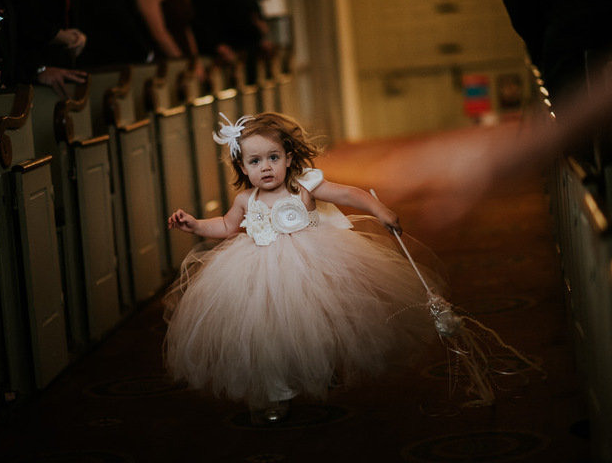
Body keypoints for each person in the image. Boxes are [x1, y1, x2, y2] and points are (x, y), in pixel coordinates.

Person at [164, 112, 448, 422]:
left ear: (288, 157)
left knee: (322, 320)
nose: (266, 167)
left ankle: (321, 365)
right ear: (243, 167)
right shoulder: (246, 199)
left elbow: (347, 193)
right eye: (255, 161)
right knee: (266, 332)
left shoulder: (304, 186)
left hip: (312, 264)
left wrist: (381, 210)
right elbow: (226, 226)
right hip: (260, 274)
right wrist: (193, 225)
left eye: (273, 157)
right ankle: (276, 395)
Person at [6, 0, 88, 98]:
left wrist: (79, 37)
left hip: (62, 67)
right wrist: (66, 38)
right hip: (35, 72)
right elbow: (26, 20)